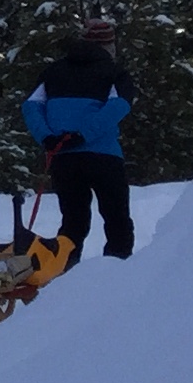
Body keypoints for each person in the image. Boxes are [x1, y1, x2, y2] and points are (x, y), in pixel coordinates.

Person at [25, 17, 137, 262]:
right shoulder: (116, 73)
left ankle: (64, 272)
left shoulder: (52, 71)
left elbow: (31, 106)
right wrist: (83, 134)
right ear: (108, 45)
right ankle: (118, 271)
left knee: (73, 222)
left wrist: (46, 137)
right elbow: (118, 107)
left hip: (62, 156)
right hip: (104, 155)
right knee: (116, 219)